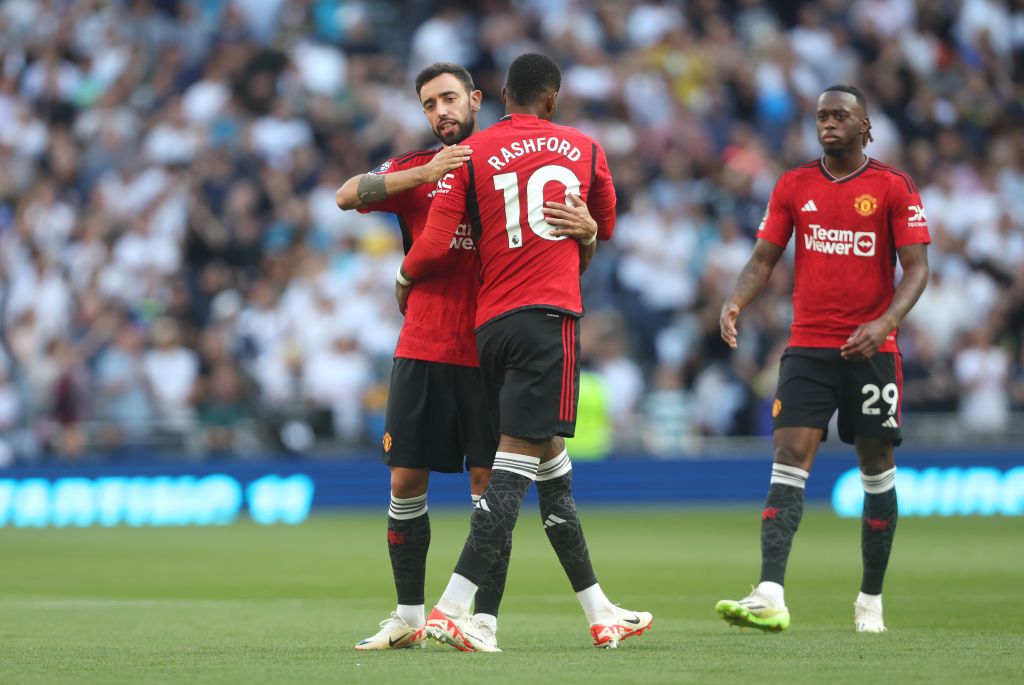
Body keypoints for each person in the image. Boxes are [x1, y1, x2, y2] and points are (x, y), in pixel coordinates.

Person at [336, 63, 598, 651]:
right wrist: (422, 174)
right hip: (424, 347)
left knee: (489, 485)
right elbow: (346, 193)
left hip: (488, 350)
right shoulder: (415, 168)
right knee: (405, 481)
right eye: (430, 105)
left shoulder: (513, 166)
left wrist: (587, 233)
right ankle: (408, 616)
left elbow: (568, 262)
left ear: (478, 99)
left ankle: (483, 619)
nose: (440, 112)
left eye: (449, 99)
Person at [397, 53, 653, 652]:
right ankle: (456, 608)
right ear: (553, 98)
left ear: (500, 95)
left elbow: (435, 244)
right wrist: (586, 229)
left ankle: (600, 610)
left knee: (551, 466)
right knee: (513, 468)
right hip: (548, 318)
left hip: (489, 328)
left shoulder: (473, 154)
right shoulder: (585, 147)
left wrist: (406, 277)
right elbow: (606, 223)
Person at [715, 85, 930, 634]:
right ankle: (769, 592)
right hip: (809, 346)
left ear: (866, 126)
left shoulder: (893, 186)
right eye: (821, 117)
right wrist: (737, 300)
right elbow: (764, 257)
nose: (828, 124)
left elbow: (917, 269)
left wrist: (884, 323)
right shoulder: (794, 184)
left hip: (872, 351)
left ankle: (870, 601)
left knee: (876, 469)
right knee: (788, 458)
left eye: (840, 116)